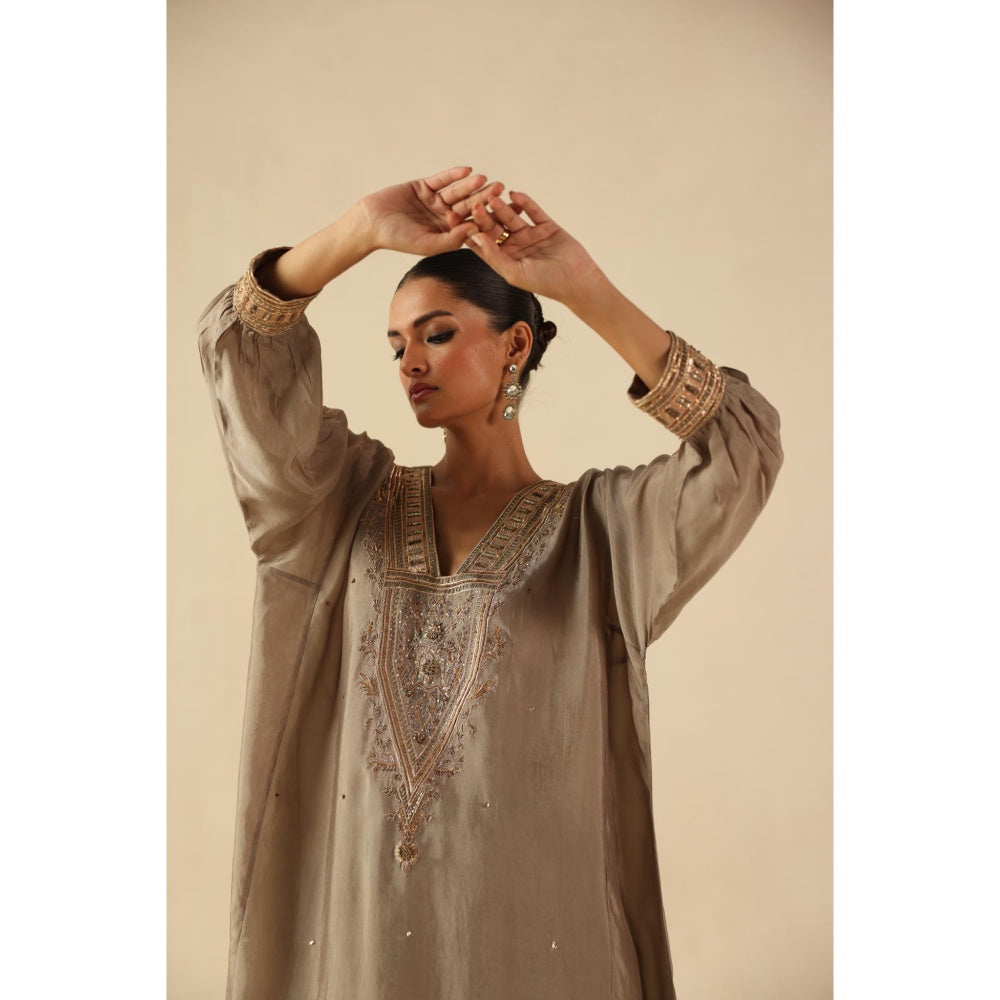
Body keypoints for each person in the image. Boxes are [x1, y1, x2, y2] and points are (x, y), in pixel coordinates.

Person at [198, 165, 782, 1000]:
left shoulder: (601, 534)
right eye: (396, 345)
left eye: (436, 334)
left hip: (536, 943)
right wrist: (356, 231)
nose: (410, 362)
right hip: (360, 946)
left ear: (515, 345)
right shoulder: (339, 504)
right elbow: (248, 362)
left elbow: (740, 448)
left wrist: (584, 289)